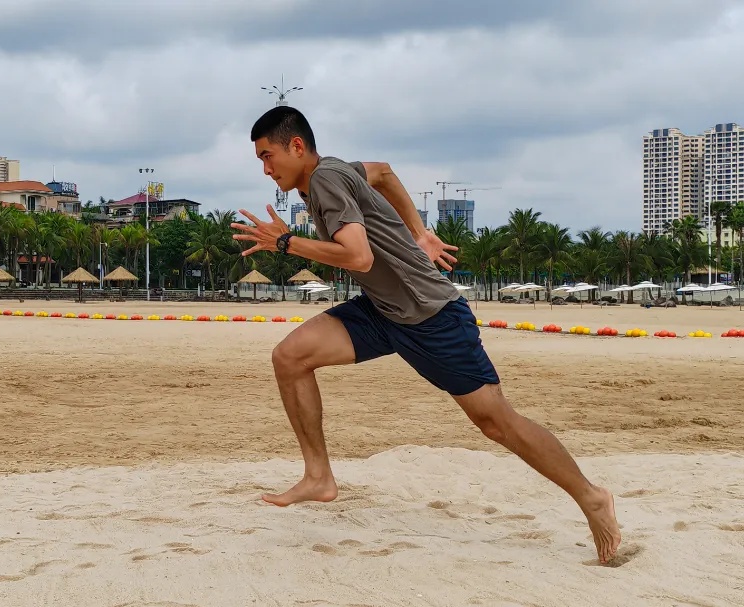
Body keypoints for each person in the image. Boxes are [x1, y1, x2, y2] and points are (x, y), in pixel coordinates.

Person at [230, 105, 621, 564]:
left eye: (267, 155)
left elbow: (356, 257)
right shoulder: (338, 170)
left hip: (431, 316)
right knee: (291, 357)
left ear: (297, 146)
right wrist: (421, 232)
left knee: (496, 421)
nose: (265, 167)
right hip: (383, 312)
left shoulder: (325, 180)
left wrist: (283, 242)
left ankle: (592, 497)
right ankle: (318, 476)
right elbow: (384, 172)